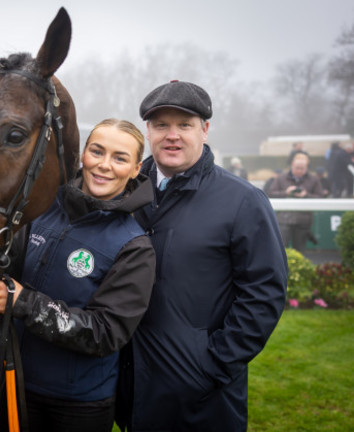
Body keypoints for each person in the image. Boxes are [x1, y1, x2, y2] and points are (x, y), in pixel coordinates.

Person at [124, 80, 287, 432]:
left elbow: (264, 293)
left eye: (185, 125)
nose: (173, 135)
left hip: (203, 399)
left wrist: (211, 366)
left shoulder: (243, 201)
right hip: (131, 388)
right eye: (162, 125)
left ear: (205, 129)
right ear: (147, 131)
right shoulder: (126, 193)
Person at [0, 118, 156, 432]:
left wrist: (24, 303)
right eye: (97, 151)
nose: (104, 165)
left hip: (81, 403)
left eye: (120, 158)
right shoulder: (43, 209)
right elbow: (6, 267)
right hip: (18, 382)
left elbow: (105, 332)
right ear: (83, 155)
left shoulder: (133, 246)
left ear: (136, 169)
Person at [267, 153, 324, 253]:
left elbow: (320, 197)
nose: (299, 171)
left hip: (304, 221)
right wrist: (286, 193)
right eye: (297, 167)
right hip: (284, 220)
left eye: (302, 168)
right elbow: (270, 193)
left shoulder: (314, 179)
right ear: (291, 165)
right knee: (280, 251)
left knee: (300, 251)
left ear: (307, 167)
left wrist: (305, 195)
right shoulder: (281, 178)